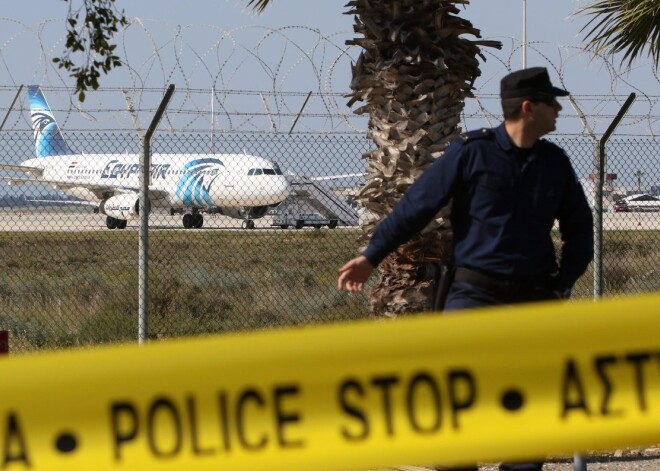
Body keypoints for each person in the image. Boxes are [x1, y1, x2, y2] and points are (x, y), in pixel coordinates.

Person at [337, 67, 594, 471]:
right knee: (457, 402)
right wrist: (372, 256)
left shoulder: (555, 164)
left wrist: (561, 287)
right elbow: (416, 207)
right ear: (529, 108)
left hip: (534, 298)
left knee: (535, 409)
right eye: (551, 101)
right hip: (475, 294)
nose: (559, 109)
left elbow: (580, 230)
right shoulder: (472, 152)